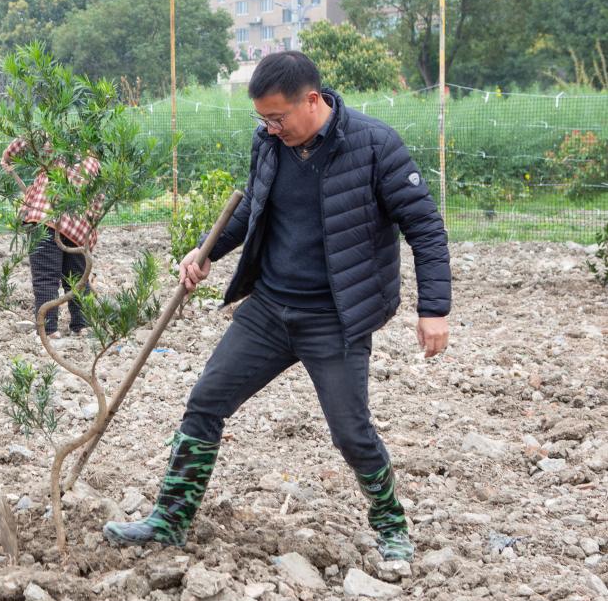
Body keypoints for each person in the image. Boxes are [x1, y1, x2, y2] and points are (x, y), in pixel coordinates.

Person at [104, 51, 450, 562]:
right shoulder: (268, 144)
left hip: (335, 317)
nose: (270, 128)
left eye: (277, 117)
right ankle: (170, 520)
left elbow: (425, 227)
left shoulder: (375, 146)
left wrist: (434, 308)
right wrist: (206, 252)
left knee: (352, 434)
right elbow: (251, 208)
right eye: (262, 118)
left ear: (312, 100)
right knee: (205, 402)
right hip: (269, 309)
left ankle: (391, 524)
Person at [0, 137, 100, 338]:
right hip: (79, 230)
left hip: (45, 219)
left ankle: (49, 329)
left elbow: (29, 138)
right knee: (78, 278)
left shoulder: (55, 142)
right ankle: (83, 324)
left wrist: (8, 156)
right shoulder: (95, 163)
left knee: (46, 277)